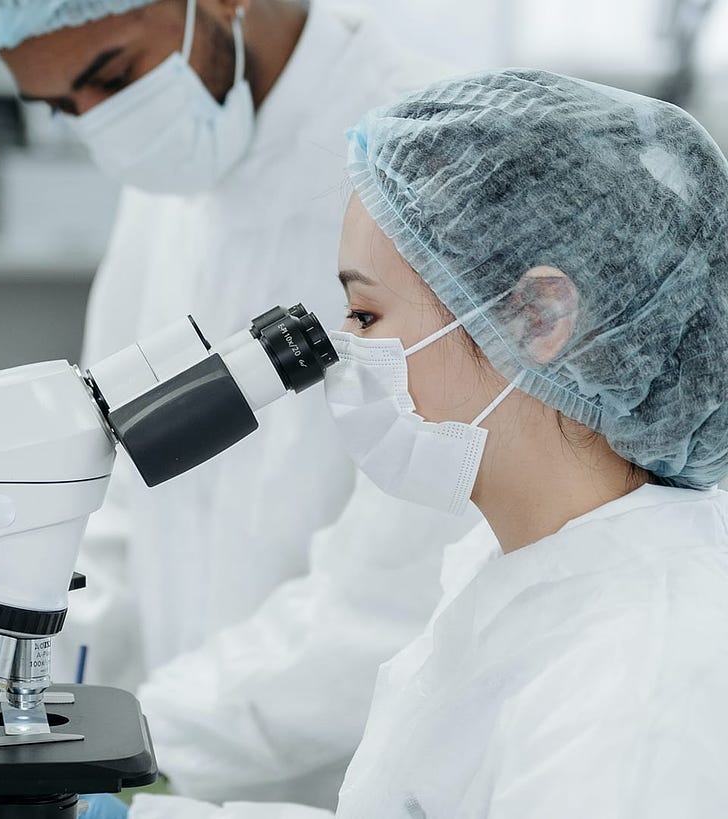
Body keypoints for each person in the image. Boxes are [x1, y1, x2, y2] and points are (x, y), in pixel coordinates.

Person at [122, 67, 728, 817]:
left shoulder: (637, 675)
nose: (342, 349)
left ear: (539, 318)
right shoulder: (523, 570)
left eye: (366, 314)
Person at [0, 0, 478, 807]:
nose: (103, 127)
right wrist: (9, 685)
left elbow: (404, 591)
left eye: (111, 74)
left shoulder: (448, 160)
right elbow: (107, 482)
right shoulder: (169, 167)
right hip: (173, 758)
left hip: (353, 773)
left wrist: (149, 742)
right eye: (63, 108)